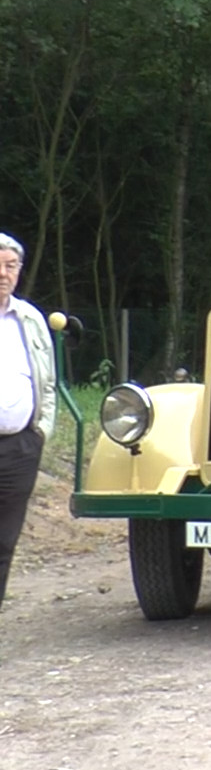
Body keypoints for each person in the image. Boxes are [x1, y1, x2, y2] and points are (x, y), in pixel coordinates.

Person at [0, 232, 56, 610]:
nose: (4, 274)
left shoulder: (31, 318)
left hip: (20, 447)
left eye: (10, 266)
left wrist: (40, 433)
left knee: (4, 540)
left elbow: (48, 381)